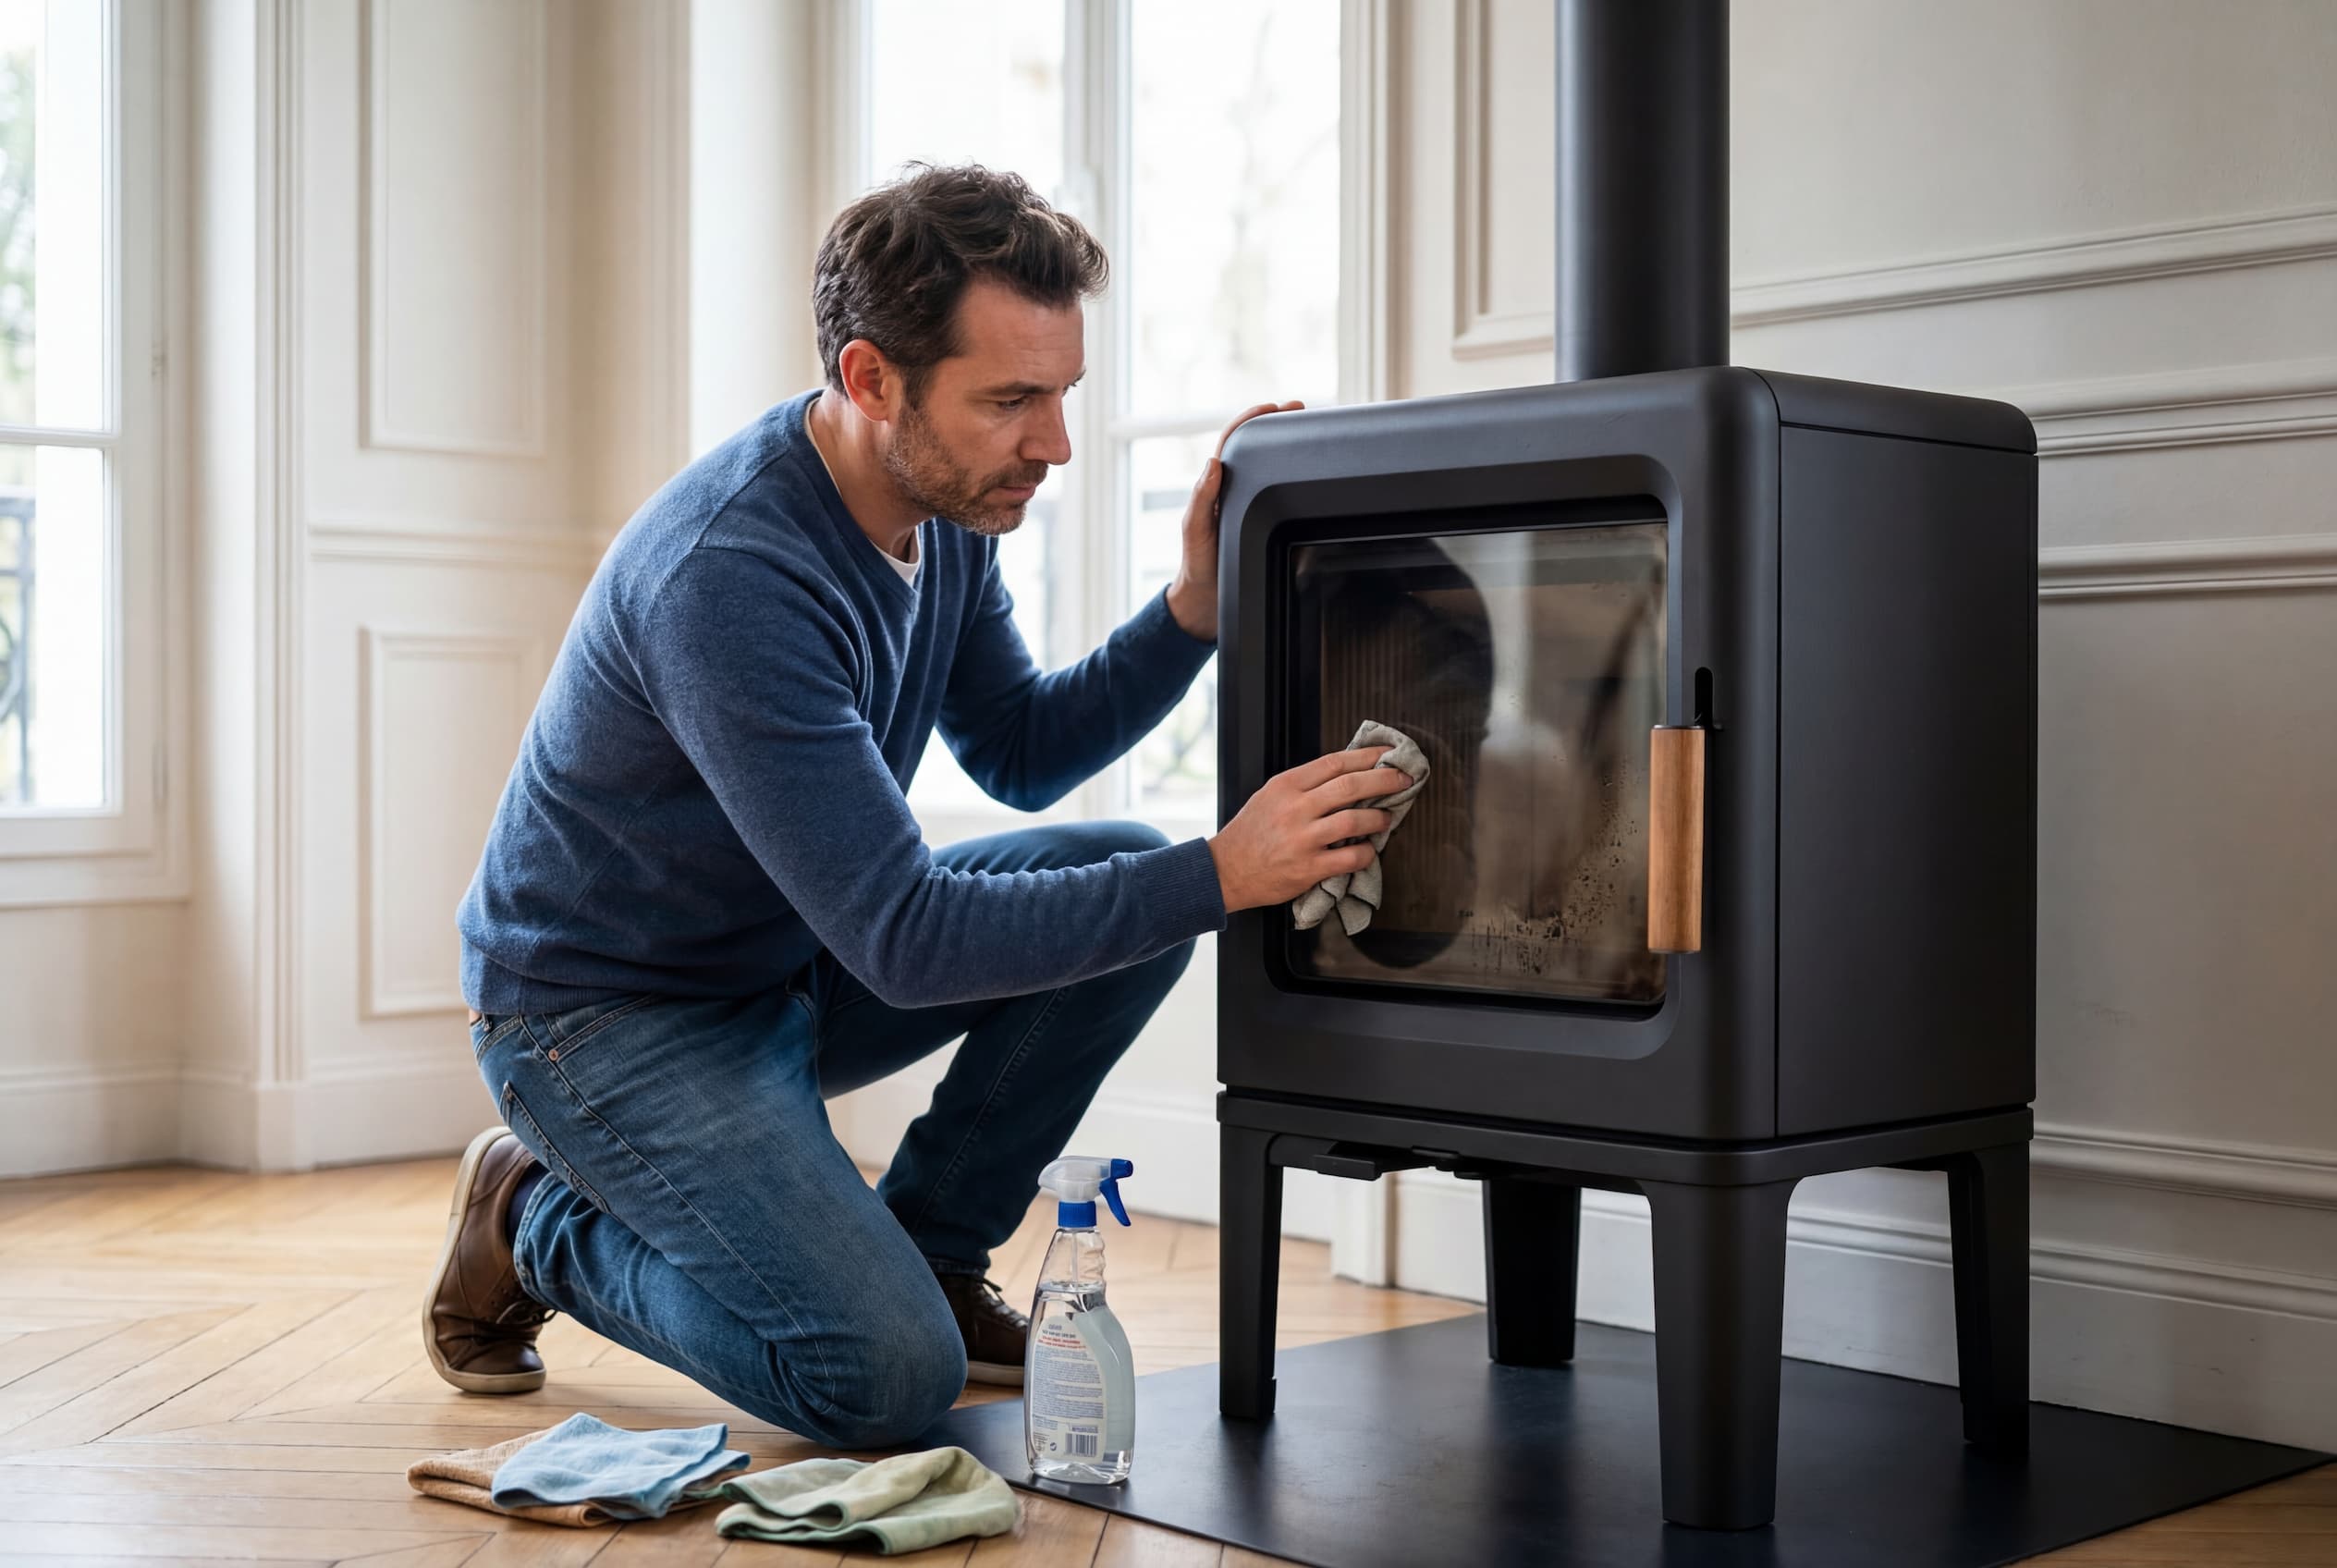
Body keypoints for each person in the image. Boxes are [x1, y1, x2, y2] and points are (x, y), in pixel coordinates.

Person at [428, 164, 1410, 1448]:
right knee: (882, 1381)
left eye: (1061, 394)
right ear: (871, 378)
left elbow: (1019, 749)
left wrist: (1192, 616)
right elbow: (910, 938)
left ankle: (933, 1253)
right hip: (604, 1020)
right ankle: (535, 1221)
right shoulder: (731, 577)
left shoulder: (944, 510)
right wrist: (1225, 871)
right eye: (1011, 401)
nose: (1052, 445)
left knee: (1125, 872)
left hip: (785, 964)